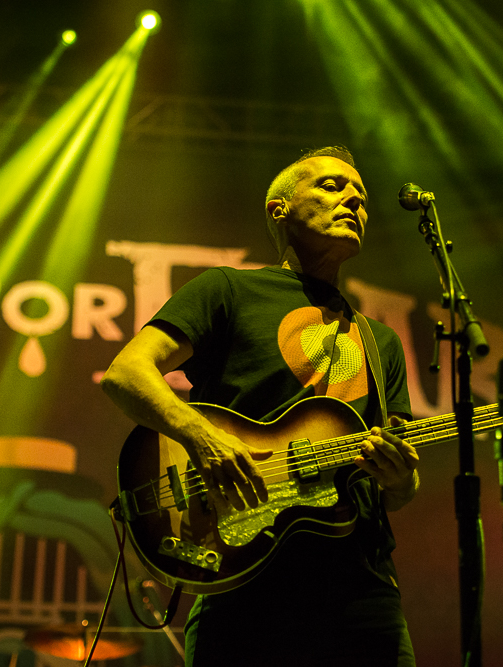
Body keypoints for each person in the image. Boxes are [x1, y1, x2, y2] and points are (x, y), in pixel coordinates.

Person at [101, 146, 419, 666]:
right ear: (279, 208)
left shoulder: (379, 339)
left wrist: (400, 479)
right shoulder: (228, 289)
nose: (354, 204)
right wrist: (202, 438)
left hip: (360, 586)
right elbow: (126, 373)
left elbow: (397, 491)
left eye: (361, 199)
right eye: (333, 187)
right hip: (240, 572)